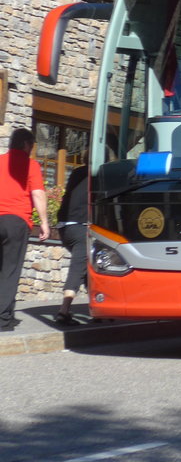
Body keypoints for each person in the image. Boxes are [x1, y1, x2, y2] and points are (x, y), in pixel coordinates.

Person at [0, 128, 49, 332]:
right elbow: (37, 194)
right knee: (10, 270)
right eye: (32, 145)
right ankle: (3, 319)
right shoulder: (31, 165)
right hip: (15, 221)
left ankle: (7, 314)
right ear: (26, 144)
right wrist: (44, 222)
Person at [54, 162, 88, 325]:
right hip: (80, 228)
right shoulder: (99, 175)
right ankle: (63, 311)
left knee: (89, 266)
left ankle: (99, 308)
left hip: (64, 227)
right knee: (78, 268)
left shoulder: (77, 173)